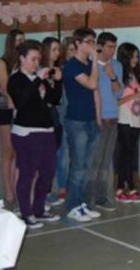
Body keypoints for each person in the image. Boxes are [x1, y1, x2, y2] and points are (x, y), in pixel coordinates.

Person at [8, 40, 62, 229]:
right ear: (22, 59)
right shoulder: (16, 79)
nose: (36, 63)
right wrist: (38, 80)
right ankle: (25, 211)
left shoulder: (39, 78)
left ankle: (39, 209)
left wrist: (57, 81)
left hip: (46, 130)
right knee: (27, 173)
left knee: (48, 172)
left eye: (38, 59)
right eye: (32, 59)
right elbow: (22, 102)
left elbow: (54, 99)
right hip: (26, 132)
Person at [62, 27, 102, 222]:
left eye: (93, 41)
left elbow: (96, 92)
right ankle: (72, 205)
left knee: (87, 166)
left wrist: (98, 117)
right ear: (77, 44)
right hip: (76, 122)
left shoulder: (88, 65)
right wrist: (95, 61)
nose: (92, 45)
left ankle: (81, 203)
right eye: (88, 41)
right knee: (77, 167)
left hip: (91, 120)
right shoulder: (72, 66)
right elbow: (92, 84)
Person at [88, 32, 123, 212]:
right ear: (100, 47)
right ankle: (90, 198)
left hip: (113, 118)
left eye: (114, 47)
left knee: (106, 161)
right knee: (95, 161)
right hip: (97, 118)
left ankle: (103, 197)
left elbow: (118, 93)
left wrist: (112, 77)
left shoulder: (116, 66)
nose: (112, 51)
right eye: (109, 47)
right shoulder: (91, 65)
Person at [0, 29, 25, 209]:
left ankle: (16, 190)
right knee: (8, 152)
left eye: (24, 39)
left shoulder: (24, 62)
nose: (21, 43)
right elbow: (6, 88)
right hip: (6, 110)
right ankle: (7, 193)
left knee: (18, 154)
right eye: (18, 40)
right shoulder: (2, 62)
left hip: (21, 110)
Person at [114, 42, 140, 204]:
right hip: (124, 118)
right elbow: (117, 101)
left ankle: (130, 186)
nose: (136, 59)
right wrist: (134, 96)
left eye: (137, 56)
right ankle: (121, 187)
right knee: (124, 153)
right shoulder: (120, 76)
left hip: (136, 118)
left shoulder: (136, 74)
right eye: (132, 56)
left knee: (131, 153)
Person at [41, 37, 65, 206]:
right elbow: (46, 97)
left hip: (53, 117)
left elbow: (55, 98)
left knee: (51, 157)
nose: (57, 53)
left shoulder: (56, 71)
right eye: (54, 49)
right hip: (41, 119)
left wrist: (58, 80)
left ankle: (48, 191)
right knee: (42, 159)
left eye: (58, 49)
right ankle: (40, 193)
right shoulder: (40, 71)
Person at [53, 36, 76, 203]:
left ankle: (73, 184)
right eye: (70, 50)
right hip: (63, 115)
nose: (74, 53)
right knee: (64, 153)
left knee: (76, 153)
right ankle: (62, 186)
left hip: (78, 116)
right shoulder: (61, 70)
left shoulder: (81, 69)